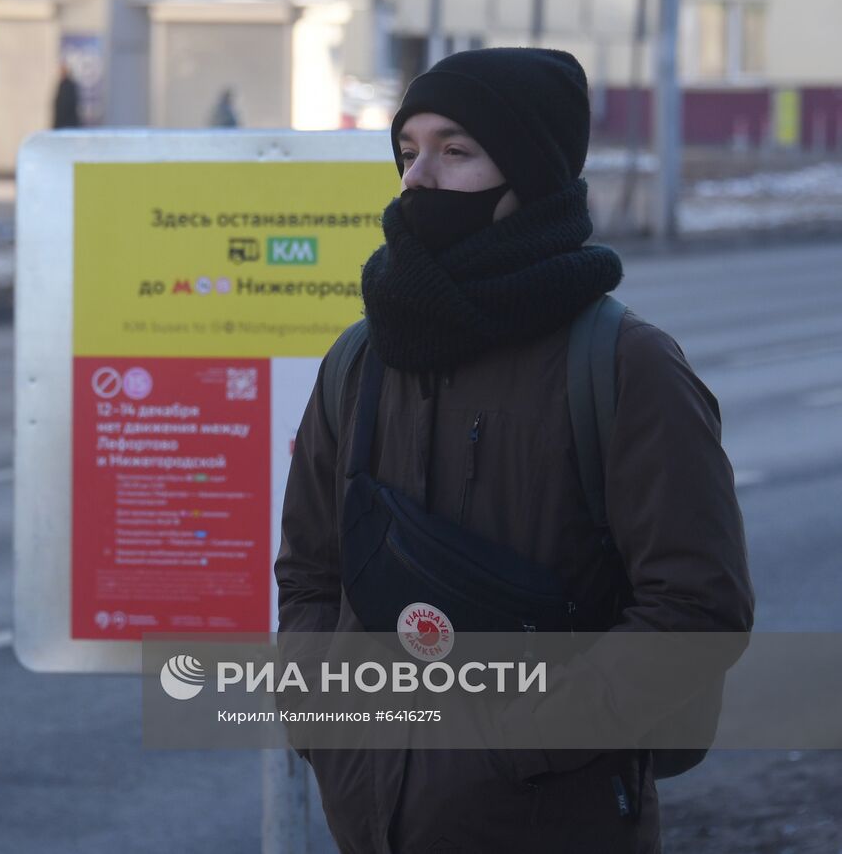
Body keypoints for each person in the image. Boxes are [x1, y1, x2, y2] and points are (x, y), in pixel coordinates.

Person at [274, 48, 753, 853]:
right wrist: (331, 725)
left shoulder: (626, 365)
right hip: (370, 825)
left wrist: (511, 743)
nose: (417, 176)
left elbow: (696, 609)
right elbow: (312, 572)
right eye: (407, 151)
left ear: (530, 175)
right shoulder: (361, 358)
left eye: (455, 151)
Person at [52, 62, 82, 129]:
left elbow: (67, 105)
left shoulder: (69, 86)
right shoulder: (61, 85)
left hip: (68, 124)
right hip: (62, 124)